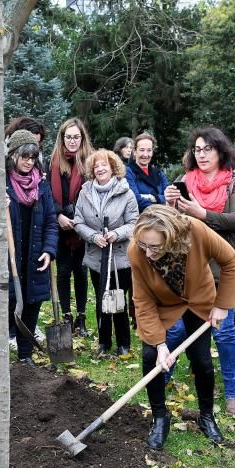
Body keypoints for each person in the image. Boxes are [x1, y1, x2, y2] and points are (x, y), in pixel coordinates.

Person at [129, 205, 235, 450]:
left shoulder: (196, 231)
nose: (148, 252)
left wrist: (222, 305)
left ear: (171, 237)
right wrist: (159, 345)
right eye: (144, 245)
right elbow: (142, 301)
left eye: (155, 247)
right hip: (162, 304)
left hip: (199, 299)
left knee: (202, 361)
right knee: (150, 358)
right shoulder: (137, 251)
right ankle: (160, 417)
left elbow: (230, 260)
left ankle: (206, 416)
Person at [164, 127, 235, 414]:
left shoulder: (233, 184)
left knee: (224, 334)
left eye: (207, 149)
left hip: (223, 268)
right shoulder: (185, 180)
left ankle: (233, 395)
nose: (201, 154)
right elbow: (172, 226)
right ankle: (160, 380)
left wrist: (203, 214)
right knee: (175, 330)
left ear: (220, 152)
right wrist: (171, 204)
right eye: (197, 149)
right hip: (188, 269)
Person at [0, 130, 58, 366]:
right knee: (6, 306)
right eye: (24, 157)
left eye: (33, 158)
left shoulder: (41, 186)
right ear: (12, 155)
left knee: (31, 306)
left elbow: (51, 221)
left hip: (33, 257)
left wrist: (49, 250)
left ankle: (24, 355)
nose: (29, 162)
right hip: (6, 257)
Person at [73, 149, 139, 355]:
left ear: (113, 169)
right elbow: (78, 221)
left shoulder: (126, 193)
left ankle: (123, 343)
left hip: (120, 257)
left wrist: (116, 234)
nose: (100, 169)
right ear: (93, 171)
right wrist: (94, 237)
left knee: (118, 298)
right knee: (102, 298)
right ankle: (103, 343)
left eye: (105, 165)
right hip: (96, 257)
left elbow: (134, 222)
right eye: (96, 166)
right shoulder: (85, 193)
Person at [50, 118, 94, 337]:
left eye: (77, 137)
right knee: (64, 271)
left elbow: (95, 194)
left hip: (83, 226)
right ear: (62, 138)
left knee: (81, 272)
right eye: (69, 137)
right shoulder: (54, 163)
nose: (73, 141)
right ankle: (66, 317)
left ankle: (82, 318)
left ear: (82, 138)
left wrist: (79, 218)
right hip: (60, 226)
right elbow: (48, 192)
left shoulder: (90, 162)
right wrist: (58, 214)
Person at [125, 132, 170, 213]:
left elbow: (169, 196)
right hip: (141, 219)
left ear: (152, 152)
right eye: (142, 150)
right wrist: (161, 200)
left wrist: (152, 197)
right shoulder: (128, 172)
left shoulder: (159, 173)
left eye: (149, 150)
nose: (145, 154)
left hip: (163, 217)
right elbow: (135, 200)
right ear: (135, 151)